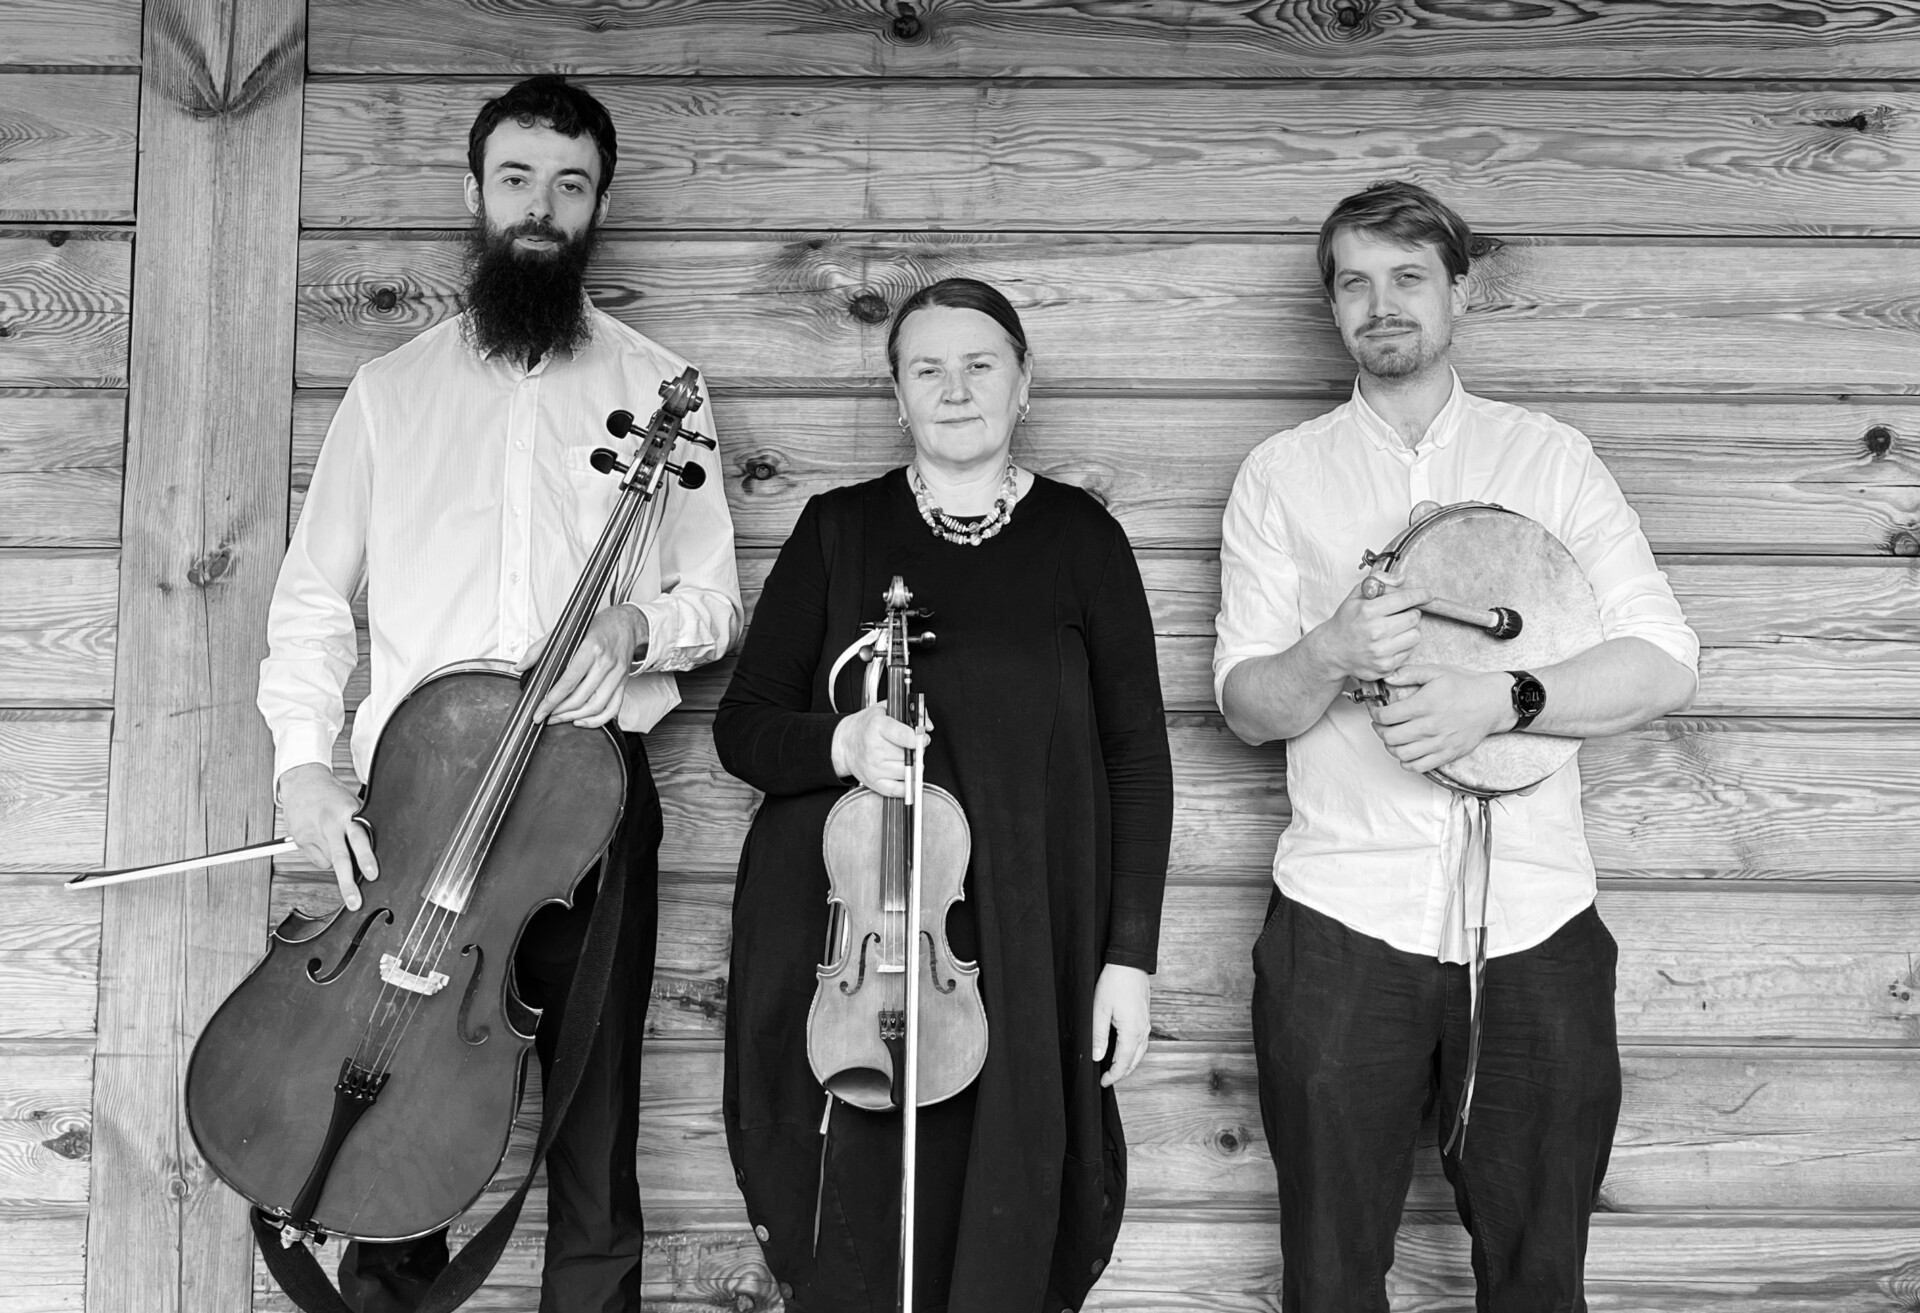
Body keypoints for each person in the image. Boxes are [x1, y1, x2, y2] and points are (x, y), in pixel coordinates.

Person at [256, 75, 741, 1312]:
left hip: (587, 798)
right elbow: (316, 597)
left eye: (570, 185)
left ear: (597, 207)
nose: (542, 206)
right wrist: (305, 764)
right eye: (519, 179)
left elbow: (714, 603)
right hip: (419, 799)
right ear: (474, 193)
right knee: (396, 1103)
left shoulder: (663, 386)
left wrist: (637, 627)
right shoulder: (393, 392)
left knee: (593, 1115)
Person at [1213, 181, 1699, 1312]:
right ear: (1331, 304)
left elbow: (1667, 658)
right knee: (1331, 1284)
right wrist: (1330, 647)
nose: (1381, 304)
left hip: (1538, 928)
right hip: (1342, 926)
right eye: (1354, 281)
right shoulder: (1283, 475)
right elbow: (1245, 703)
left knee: (1539, 1282)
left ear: (1459, 290)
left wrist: (1505, 697)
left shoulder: (1553, 460)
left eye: (1408, 277)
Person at [713, 277, 1173, 1313]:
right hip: (860, 955)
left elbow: (1138, 757)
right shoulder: (838, 531)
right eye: (928, 367)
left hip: (1026, 943)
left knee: (1009, 1218)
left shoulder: (1081, 540)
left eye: (980, 365)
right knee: (856, 1231)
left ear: (1024, 386)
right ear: (898, 394)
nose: (955, 388)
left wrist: (1128, 958)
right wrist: (843, 740)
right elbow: (742, 726)